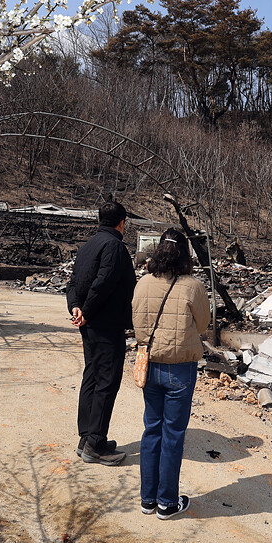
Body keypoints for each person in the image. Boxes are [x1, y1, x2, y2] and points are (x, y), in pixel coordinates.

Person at [132, 228, 210, 519]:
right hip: (180, 368)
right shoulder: (193, 286)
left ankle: (148, 500)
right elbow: (203, 325)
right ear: (185, 254)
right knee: (173, 435)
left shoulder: (143, 283)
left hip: (150, 365)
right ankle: (167, 502)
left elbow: (136, 321)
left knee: (152, 430)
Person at [67, 200, 136, 465]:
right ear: (122, 223)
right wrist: (87, 310)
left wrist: (76, 307)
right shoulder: (114, 247)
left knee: (92, 377)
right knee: (107, 381)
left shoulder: (88, 246)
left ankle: (86, 438)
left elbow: (74, 283)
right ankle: (95, 444)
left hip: (90, 323)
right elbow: (103, 283)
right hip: (106, 324)